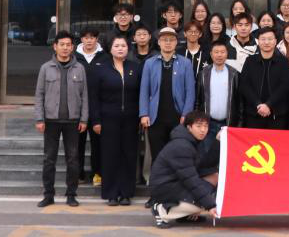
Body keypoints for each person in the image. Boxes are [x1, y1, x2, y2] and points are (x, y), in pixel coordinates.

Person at [33, 30, 88, 208]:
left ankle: (71, 194)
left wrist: (84, 119)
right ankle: (48, 195)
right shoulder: (45, 68)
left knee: (73, 159)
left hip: (73, 121)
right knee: (49, 159)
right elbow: (39, 95)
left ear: (73, 48)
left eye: (68, 45)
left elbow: (85, 96)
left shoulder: (79, 68)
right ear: (55, 46)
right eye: (62, 44)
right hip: (51, 121)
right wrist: (39, 118)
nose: (65, 48)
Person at [90, 35, 141, 206]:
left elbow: (141, 94)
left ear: (128, 48)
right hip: (107, 119)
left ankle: (126, 193)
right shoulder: (101, 69)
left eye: (123, 46)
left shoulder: (136, 68)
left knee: (129, 155)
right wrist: (95, 120)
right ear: (110, 49)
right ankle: (111, 193)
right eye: (116, 46)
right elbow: (94, 97)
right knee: (110, 155)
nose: (120, 48)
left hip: (131, 119)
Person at [139, 27, 196, 174]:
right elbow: (144, 90)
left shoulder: (185, 63)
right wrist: (144, 113)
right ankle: (157, 187)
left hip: (178, 117)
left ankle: (174, 187)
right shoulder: (150, 63)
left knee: (177, 154)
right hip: (155, 117)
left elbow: (190, 92)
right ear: (158, 42)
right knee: (157, 155)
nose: (168, 43)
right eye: (164, 40)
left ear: (176, 42)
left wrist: (186, 114)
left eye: (171, 40)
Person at [148, 111, 217, 228]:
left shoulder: (192, 141)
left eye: (206, 126)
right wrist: (210, 205)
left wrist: (218, 142)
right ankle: (161, 210)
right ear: (189, 127)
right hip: (164, 188)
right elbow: (191, 180)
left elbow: (204, 165)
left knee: (214, 177)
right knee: (204, 199)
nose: (203, 130)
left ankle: (185, 215)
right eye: (199, 126)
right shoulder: (181, 146)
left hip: (176, 183)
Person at [238, 27, 289, 128]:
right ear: (258, 41)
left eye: (270, 39)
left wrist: (268, 104)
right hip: (254, 113)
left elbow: (285, 86)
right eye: (263, 39)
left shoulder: (283, 62)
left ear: (275, 41)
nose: (266, 42)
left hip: (277, 114)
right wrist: (258, 104)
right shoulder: (250, 61)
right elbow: (244, 85)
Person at [74, 28, 108, 187]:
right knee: (77, 144)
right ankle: (78, 174)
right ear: (81, 39)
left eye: (92, 37)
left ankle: (98, 174)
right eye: (86, 37)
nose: (89, 40)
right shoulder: (74, 57)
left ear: (96, 39)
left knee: (98, 144)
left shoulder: (105, 57)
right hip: (77, 108)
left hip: (98, 108)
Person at [198, 39, 240, 130]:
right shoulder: (203, 74)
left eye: (222, 52)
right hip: (207, 123)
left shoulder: (234, 74)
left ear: (227, 54)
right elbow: (198, 100)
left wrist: (239, 124)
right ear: (211, 54)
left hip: (228, 123)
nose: (219, 55)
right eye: (216, 52)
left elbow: (239, 101)